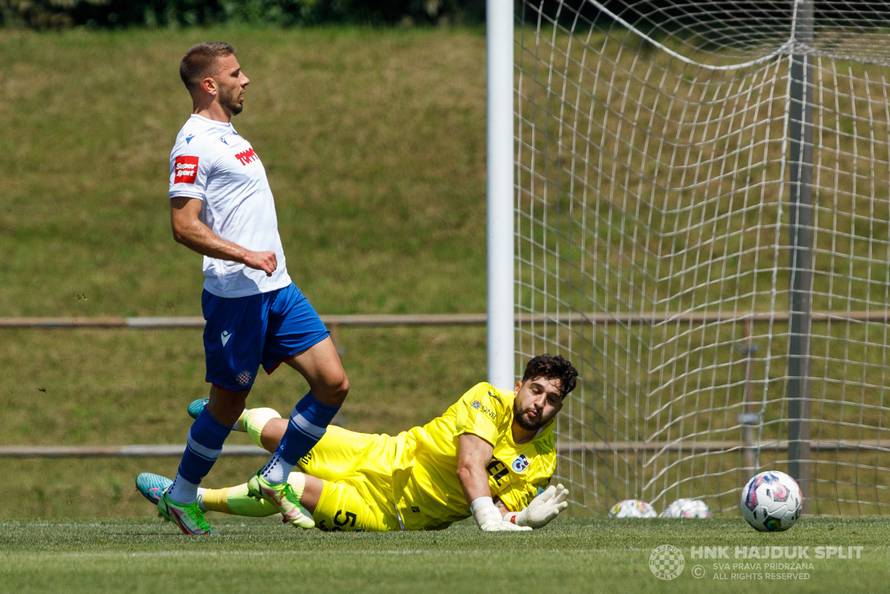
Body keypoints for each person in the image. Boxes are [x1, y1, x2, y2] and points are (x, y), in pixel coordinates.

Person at [162, 41, 349, 535]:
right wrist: (244, 254)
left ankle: (277, 473)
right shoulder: (193, 142)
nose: (246, 81)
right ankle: (182, 495)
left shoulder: (229, 133)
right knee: (227, 405)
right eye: (236, 74)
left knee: (333, 383)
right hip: (237, 297)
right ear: (210, 85)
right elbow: (183, 225)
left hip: (278, 287)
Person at [137, 355, 578, 532]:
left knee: (295, 489)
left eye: (552, 399)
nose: (539, 403)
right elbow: (469, 466)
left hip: (392, 515)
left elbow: (505, 515)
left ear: (559, 407)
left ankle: (188, 499)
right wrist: (492, 518)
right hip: (382, 454)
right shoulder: (487, 398)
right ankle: (229, 416)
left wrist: (523, 518)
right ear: (519, 385)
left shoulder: (541, 460)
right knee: (283, 435)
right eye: (536, 390)